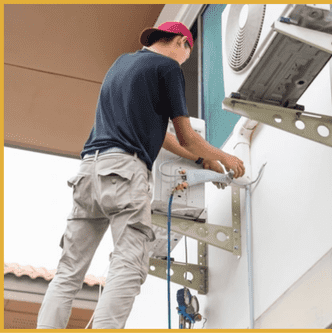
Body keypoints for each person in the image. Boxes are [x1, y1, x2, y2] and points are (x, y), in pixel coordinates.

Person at [37, 21, 245, 329]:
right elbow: (186, 135)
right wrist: (226, 156)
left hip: (88, 172)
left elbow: (164, 137)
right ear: (181, 42)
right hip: (124, 172)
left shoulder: (121, 65)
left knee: (69, 271)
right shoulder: (167, 68)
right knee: (129, 263)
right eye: (187, 54)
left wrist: (203, 159)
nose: (185, 61)